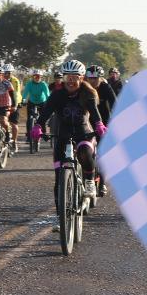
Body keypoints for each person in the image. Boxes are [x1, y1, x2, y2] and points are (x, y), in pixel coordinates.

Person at [37, 59, 104, 197]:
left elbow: (94, 112)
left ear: (81, 78)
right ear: (63, 78)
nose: (71, 81)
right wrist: (38, 125)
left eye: (74, 78)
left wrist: (99, 124)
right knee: (58, 179)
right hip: (63, 133)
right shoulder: (57, 94)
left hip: (83, 131)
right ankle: (63, 207)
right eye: (67, 77)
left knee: (84, 152)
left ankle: (90, 182)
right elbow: (46, 112)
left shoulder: (88, 93)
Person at [21, 68, 51, 144]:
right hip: (32, 102)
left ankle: (43, 133)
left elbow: (47, 94)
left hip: (42, 102)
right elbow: (25, 93)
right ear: (32, 77)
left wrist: (49, 101)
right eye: (35, 76)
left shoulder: (43, 84)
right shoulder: (29, 84)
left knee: (42, 118)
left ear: (41, 77)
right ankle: (28, 136)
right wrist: (23, 100)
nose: (37, 78)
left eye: (38, 76)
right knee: (29, 119)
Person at [2, 63, 24, 145]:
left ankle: (14, 141)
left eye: (8, 73)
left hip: (14, 102)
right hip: (3, 102)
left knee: (14, 123)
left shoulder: (15, 81)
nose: (6, 75)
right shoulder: (1, 80)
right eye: (5, 73)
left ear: (11, 73)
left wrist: (15, 105)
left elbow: (16, 93)